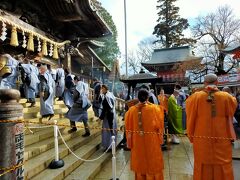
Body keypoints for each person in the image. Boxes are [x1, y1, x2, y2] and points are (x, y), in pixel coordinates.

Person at [186, 73, 237, 180]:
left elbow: (190, 117)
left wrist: (191, 134)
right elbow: (232, 110)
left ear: (204, 83)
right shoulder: (227, 97)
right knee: (222, 164)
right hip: (221, 138)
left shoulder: (195, 97)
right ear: (217, 82)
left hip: (202, 139)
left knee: (203, 164)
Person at [125, 89, 164, 180]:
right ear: (148, 97)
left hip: (137, 143)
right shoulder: (155, 109)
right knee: (152, 164)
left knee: (140, 164)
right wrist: (160, 140)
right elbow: (160, 126)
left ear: (138, 98)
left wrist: (129, 144)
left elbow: (128, 129)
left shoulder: (131, 111)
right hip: (152, 142)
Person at [99, 84, 117, 150]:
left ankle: (108, 146)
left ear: (105, 89)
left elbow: (106, 109)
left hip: (108, 116)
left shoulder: (107, 97)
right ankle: (111, 146)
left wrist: (100, 118)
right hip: (112, 115)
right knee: (111, 130)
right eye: (101, 89)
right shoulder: (110, 94)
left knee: (108, 131)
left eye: (103, 89)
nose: (101, 90)